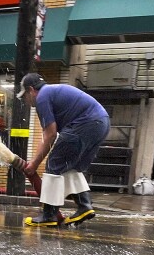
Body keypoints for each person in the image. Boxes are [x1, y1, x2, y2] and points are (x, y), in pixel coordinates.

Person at [15, 73, 109, 227]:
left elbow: (50, 135)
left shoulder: (42, 97)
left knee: (54, 164)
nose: (25, 100)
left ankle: (48, 215)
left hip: (85, 123)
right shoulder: (53, 92)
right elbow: (49, 136)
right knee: (69, 166)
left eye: (25, 95)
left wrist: (34, 163)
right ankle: (84, 206)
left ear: (31, 90)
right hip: (101, 124)